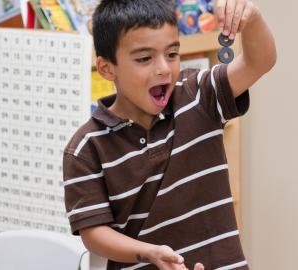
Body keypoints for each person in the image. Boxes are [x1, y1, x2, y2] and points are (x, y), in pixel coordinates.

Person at [62, 0, 276, 269]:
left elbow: (260, 61)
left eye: (172, 54)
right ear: (107, 68)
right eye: (144, 58)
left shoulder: (197, 94)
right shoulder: (85, 147)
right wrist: (149, 253)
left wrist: (252, 18)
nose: (163, 68)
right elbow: (93, 233)